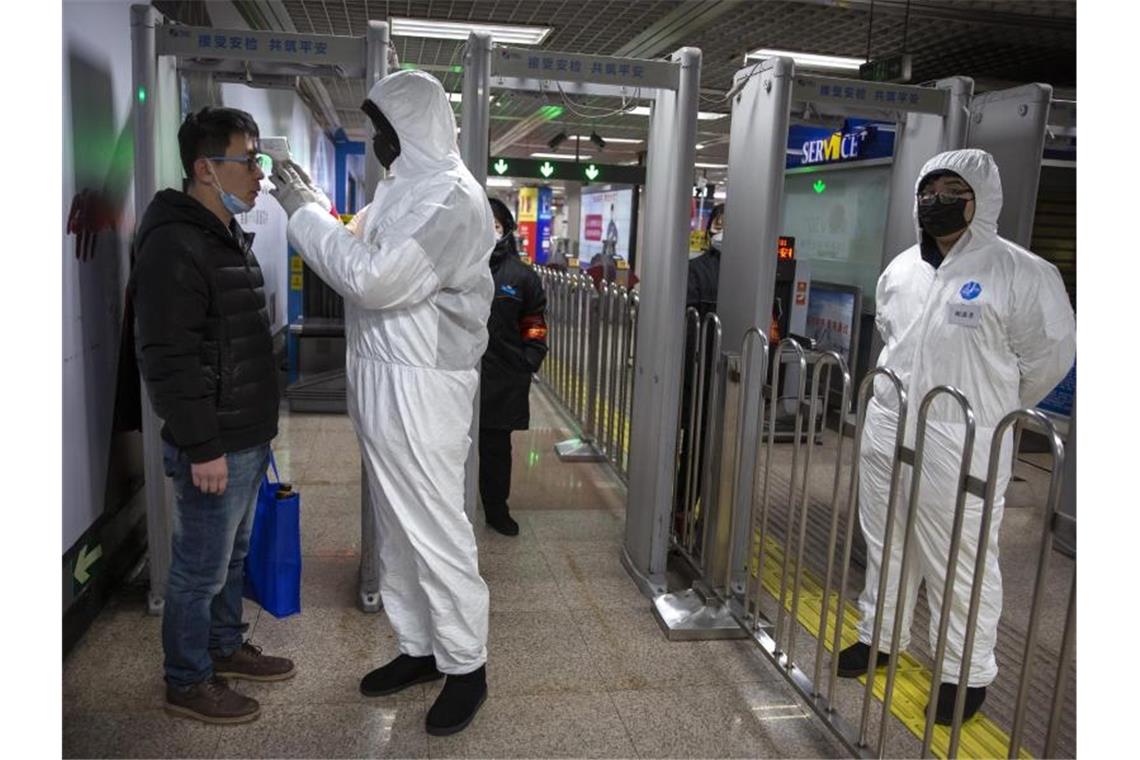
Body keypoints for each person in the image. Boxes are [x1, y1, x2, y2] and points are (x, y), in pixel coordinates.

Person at [269, 68, 495, 737]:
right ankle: (421, 649)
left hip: (423, 386)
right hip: (381, 377)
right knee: (396, 527)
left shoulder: (454, 198)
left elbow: (372, 278)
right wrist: (320, 211)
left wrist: (303, 212)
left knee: (435, 528)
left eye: (382, 127)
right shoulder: (402, 188)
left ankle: (467, 665)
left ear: (412, 127)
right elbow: (355, 241)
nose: (376, 140)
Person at [835, 149, 1075, 724]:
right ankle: (881, 635)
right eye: (929, 188)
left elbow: (1050, 360)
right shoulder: (900, 270)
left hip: (962, 436)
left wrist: (994, 409)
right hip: (891, 424)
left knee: (959, 557)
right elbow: (891, 338)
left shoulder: (1022, 273)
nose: (936, 199)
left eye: (952, 189)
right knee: (887, 540)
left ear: (982, 198)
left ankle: (965, 673)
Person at [128, 106, 294, 725]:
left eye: (259, 160)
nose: (259, 174)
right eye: (248, 160)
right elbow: (168, 359)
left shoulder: (222, 235)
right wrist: (202, 448)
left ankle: (223, 647)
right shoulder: (175, 243)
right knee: (197, 570)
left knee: (229, 557)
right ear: (204, 168)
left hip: (244, 435)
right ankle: (187, 678)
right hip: (214, 443)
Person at [479, 197, 549, 537]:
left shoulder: (521, 277)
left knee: (495, 448)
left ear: (505, 228)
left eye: (495, 223)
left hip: (502, 378)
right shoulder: (454, 266)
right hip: (456, 375)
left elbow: (534, 326)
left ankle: (496, 509)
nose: (489, 230)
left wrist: (528, 362)